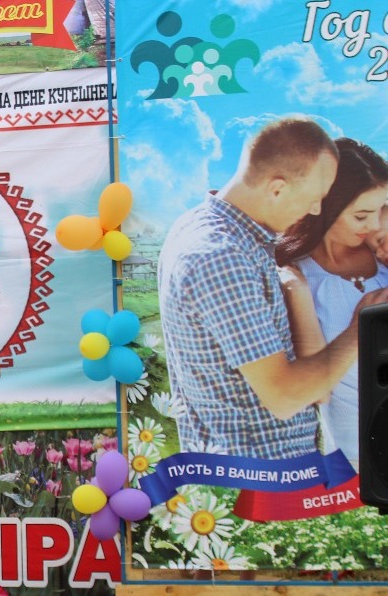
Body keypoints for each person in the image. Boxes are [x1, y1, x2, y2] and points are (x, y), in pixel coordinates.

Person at [157, 117, 388, 460]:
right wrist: (360, 328)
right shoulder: (221, 257)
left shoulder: (223, 234)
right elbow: (285, 396)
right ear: (277, 188)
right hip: (259, 471)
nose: (316, 210)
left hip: (272, 467)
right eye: (315, 198)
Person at [274, 138, 388, 469]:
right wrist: (298, 295)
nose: (373, 225)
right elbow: (317, 392)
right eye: (362, 215)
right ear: (323, 207)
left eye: (381, 209)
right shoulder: (295, 277)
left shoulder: (383, 254)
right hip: (358, 457)